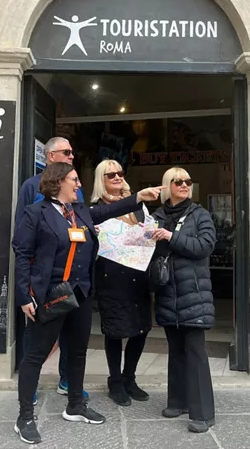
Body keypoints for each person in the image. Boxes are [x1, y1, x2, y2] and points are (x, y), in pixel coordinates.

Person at [12, 163, 163, 444]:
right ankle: (25, 417)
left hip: (80, 293)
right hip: (50, 295)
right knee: (34, 356)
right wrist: (24, 296)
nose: (79, 184)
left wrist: (138, 197)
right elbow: (22, 255)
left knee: (78, 351)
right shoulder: (36, 213)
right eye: (74, 180)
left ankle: (75, 405)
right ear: (58, 182)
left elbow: (107, 211)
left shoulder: (79, 211)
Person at [14, 136, 87, 404]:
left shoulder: (74, 187)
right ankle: (29, 386)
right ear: (51, 156)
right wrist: (28, 284)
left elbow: (82, 219)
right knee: (35, 337)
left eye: (72, 152)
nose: (71, 156)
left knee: (72, 333)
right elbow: (21, 236)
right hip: (42, 279)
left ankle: (67, 380)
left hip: (73, 278)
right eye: (66, 152)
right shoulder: (31, 187)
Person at [149, 166, 217, 433]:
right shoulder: (156, 216)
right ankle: (177, 401)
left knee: (196, 352)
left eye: (188, 181)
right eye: (178, 181)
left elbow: (205, 246)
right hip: (168, 293)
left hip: (194, 293)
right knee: (175, 349)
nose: (185, 185)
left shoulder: (200, 214)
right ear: (168, 186)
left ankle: (203, 413)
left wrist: (171, 237)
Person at [89, 159, 152, 406]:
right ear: (101, 180)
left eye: (119, 173)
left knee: (140, 328)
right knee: (115, 330)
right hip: (111, 276)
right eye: (110, 174)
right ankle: (115, 380)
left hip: (139, 275)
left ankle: (130, 378)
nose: (116, 177)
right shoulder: (94, 208)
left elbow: (147, 231)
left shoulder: (139, 205)